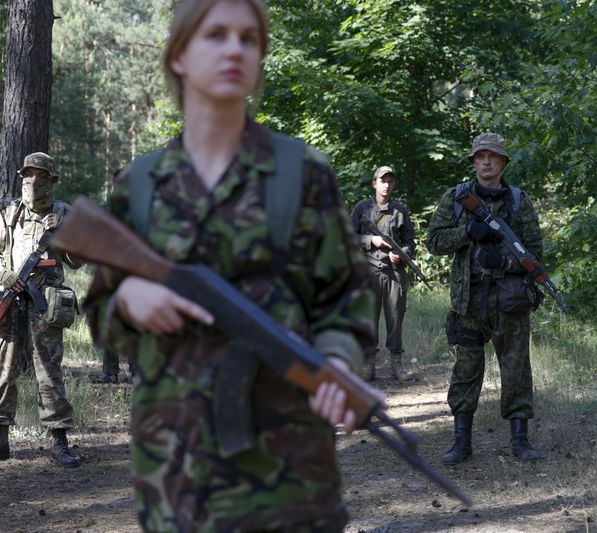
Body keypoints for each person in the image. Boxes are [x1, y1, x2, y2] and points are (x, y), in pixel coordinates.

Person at [84, 0, 383, 530]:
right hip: (173, 471)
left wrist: (337, 361)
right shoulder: (141, 184)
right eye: (216, 34)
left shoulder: (301, 172)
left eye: (249, 39)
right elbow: (102, 314)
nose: (234, 49)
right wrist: (130, 300)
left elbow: (349, 296)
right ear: (179, 54)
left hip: (290, 474)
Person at [426, 133, 544, 464]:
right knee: (466, 370)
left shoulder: (519, 202)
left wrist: (504, 263)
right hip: (468, 300)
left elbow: (535, 255)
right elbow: (433, 241)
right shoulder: (456, 198)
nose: (487, 161)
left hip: (510, 299)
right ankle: (461, 442)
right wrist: (467, 232)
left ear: (504, 162)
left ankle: (520, 441)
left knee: (517, 368)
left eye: (493, 156)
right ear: (474, 161)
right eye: (480, 156)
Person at [0, 152, 83, 468]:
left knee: (49, 370)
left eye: (39, 175)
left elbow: (77, 260)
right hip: (11, 297)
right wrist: (3, 274)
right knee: (3, 369)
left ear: (51, 180)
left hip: (45, 302)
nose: (32, 181)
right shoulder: (9, 211)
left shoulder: (64, 214)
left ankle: (58, 440)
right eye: (27, 175)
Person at [350, 166, 416, 381]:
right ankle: (369, 364)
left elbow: (409, 242)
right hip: (367, 271)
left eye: (390, 180)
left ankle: (396, 365)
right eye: (382, 180)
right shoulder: (362, 208)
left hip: (394, 273)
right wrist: (371, 240)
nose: (386, 184)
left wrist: (402, 255)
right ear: (374, 183)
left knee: (395, 318)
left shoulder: (399, 210)